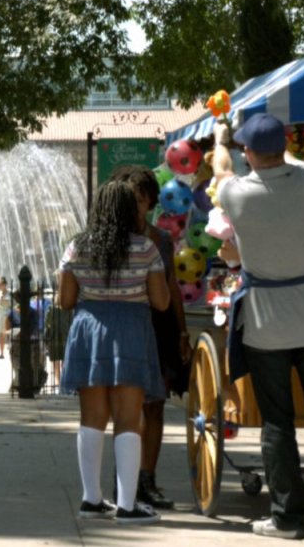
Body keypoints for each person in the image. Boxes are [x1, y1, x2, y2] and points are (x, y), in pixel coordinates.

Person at [214, 115, 304, 539]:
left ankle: (288, 518)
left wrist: (223, 137)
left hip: (266, 324)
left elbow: (221, 168)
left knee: (278, 423)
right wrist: (275, 145)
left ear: (249, 153)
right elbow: (292, 159)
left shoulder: (237, 192)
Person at [58, 180, 170, 524]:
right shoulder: (146, 249)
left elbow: (65, 301)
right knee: (127, 419)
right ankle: (126, 504)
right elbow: (162, 302)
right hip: (131, 332)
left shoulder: (76, 246)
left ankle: (91, 500)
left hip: (89, 330)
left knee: (91, 418)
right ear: (128, 210)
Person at [109, 164, 190, 509]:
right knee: (126, 407)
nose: (140, 208)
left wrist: (183, 329)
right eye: (134, 201)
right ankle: (124, 480)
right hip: (125, 325)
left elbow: (171, 283)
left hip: (158, 326)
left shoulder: (162, 239)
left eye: (145, 202)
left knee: (155, 406)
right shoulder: (109, 238)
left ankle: (148, 479)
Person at [0, 276, 10, 359]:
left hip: (8, 316)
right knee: (1, 335)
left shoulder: (10, 294)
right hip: (1, 317)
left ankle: (11, 350)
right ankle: (1, 353)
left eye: (0, 284)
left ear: (4, 285)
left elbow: (14, 305)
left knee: (9, 334)